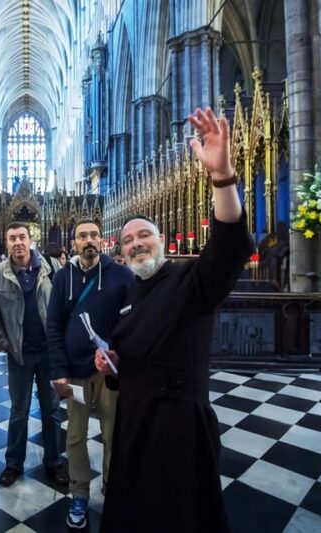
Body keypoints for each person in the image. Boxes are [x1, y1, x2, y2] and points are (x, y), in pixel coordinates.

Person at [95, 108, 253, 532]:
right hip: (133, 426)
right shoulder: (130, 294)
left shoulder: (189, 278)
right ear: (122, 253)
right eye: (127, 240)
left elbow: (228, 250)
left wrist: (222, 177)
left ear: (162, 242)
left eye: (144, 235)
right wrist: (110, 363)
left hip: (179, 429)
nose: (135, 244)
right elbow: (129, 360)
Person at [46, 219, 133, 529]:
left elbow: (131, 324)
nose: (89, 240)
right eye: (82, 236)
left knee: (113, 435)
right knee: (75, 436)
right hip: (76, 372)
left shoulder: (121, 275)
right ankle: (79, 494)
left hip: (109, 371)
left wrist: (117, 354)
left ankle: (113, 490)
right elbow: (54, 325)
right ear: (74, 243)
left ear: (103, 240)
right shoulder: (62, 277)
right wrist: (58, 370)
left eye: (94, 234)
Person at [0, 223, 69, 487]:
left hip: (48, 353)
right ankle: (13, 464)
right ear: (7, 242)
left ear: (31, 239)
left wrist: (61, 347)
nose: (18, 242)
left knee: (52, 411)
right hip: (19, 354)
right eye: (12, 238)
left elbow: (64, 308)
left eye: (22, 237)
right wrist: (6, 344)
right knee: (18, 411)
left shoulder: (52, 268)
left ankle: (54, 462)